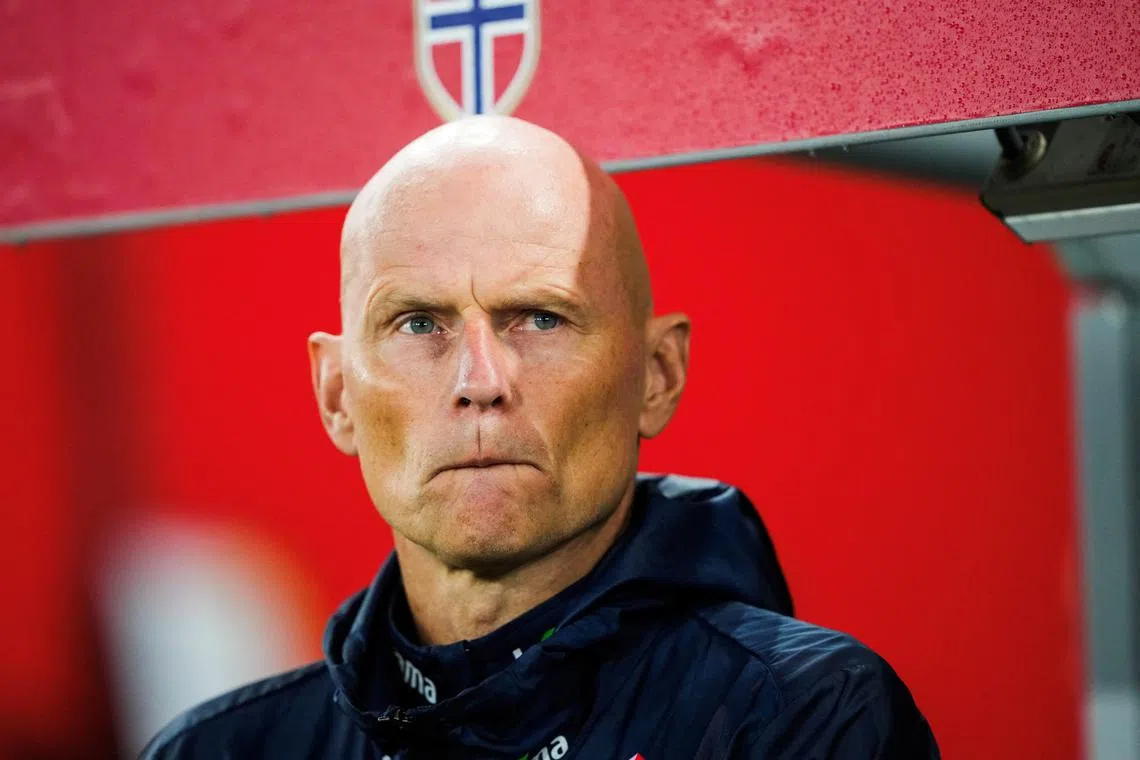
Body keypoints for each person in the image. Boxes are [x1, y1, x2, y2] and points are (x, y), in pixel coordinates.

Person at [141, 116, 939, 759]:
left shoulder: (805, 721)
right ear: (337, 393)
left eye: (540, 318)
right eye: (418, 323)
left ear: (657, 375)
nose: (481, 380)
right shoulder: (214, 751)